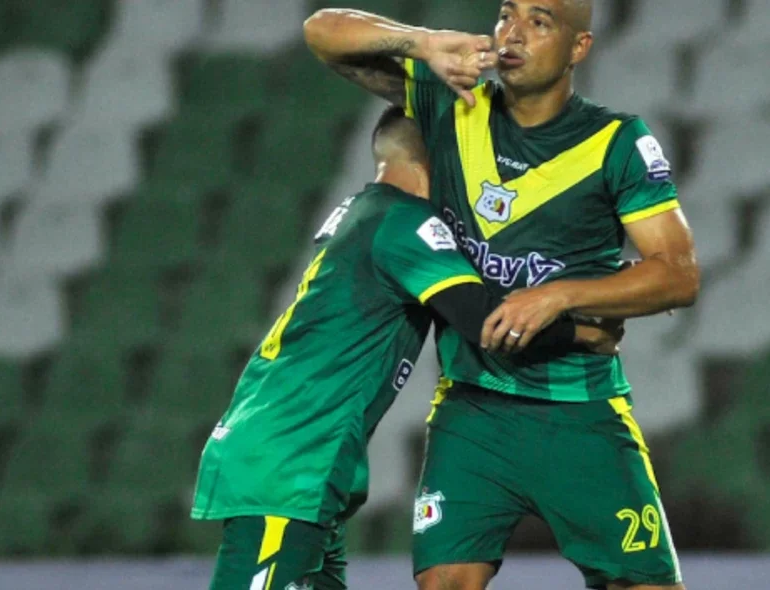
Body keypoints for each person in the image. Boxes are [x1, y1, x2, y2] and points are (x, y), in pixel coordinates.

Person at [304, 2, 701, 589]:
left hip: (578, 413)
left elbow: (679, 275)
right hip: (474, 408)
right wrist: (424, 42)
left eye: (539, 22)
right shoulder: (450, 103)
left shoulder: (615, 142)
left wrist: (558, 295)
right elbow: (323, 34)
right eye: (506, 14)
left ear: (578, 48)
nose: (512, 33)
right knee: (444, 583)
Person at [189, 106, 623, 590]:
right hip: (291, 464)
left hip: (299, 456)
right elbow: (483, 319)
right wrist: (586, 332)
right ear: (439, 157)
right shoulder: (406, 222)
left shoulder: (361, 211)